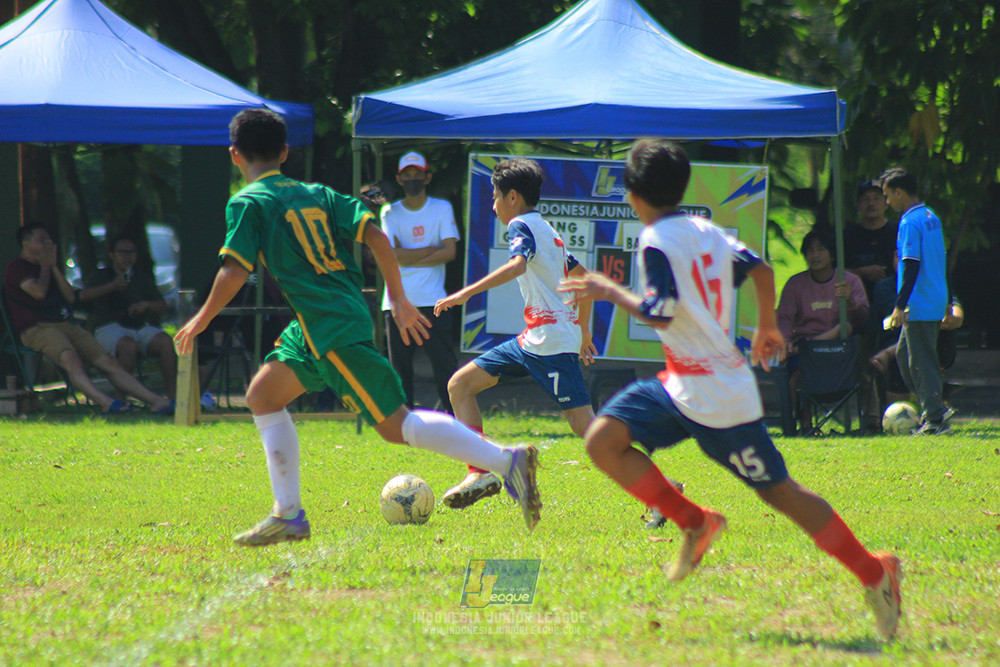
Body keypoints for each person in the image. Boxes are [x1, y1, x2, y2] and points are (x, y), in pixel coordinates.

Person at [559, 139, 902, 640]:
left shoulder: (654, 241)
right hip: (682, 382)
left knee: (781, 494)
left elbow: (662, 311)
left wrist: (608, 290)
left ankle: (876, 572)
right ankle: (694, 521)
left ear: (633, 194)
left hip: (719, 397)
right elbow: (761, 269)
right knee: (602, 439)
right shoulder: (704, 229)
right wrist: (767, 325)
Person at [173, 109, 541, 545]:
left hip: (329, 326)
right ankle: (288, 515)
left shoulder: (248, 202)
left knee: (395, 425)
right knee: (263, 396)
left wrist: (200, 319)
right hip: (319, 322)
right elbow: (377, 237)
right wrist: (398, 299)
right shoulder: (318, 194)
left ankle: (506, 462)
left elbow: (235, 271)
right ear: (285, 153)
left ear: (235, 154)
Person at [434, 158, 597, 510]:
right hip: (535, 340)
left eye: (495, 197)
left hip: (550, 343)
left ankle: (658, 488)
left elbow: (517, 265)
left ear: (512, 197)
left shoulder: (521, 225)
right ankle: (479, 472)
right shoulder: (547, 230)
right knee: (460, 385)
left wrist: (465, 294)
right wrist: (583, 332)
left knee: (585, 426)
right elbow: (584, 282)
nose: (493, 206)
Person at [3, 222, 173, 414]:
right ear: (25, 243)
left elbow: (70, 297)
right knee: (70, 358)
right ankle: (107, 403)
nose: (47, 244)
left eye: (49, 240)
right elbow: (39, 293)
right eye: (41, 240)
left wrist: (54, 268)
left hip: (64, 323)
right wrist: (45, 267)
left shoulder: (48, 268)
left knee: (108, 363)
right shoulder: (17, 268)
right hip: (37, 328)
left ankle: (156, 401)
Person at [380, 153, 459, 414]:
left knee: (446, 369)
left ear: (427, 177)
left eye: (417, 174)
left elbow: (450, 252)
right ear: (398, 179)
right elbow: (390, 255)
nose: (412, 179)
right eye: (407, 175)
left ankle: (457, 422)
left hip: (434, 302)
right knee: (400, 372)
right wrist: (432, 249)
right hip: (397, 303)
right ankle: (403, 426)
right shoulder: (389, 211)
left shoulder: (442, 207)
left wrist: (405, 256)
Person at [881, 167, 950, 435]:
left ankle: (935, 418)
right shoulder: (931, 216)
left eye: (888, 196)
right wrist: (946, 298)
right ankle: (933, 406)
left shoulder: (909, 222)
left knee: (921, 361)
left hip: (919, 302)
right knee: (904, 355)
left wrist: (900, 305)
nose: (887, 202)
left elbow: (911, 264)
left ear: (899, 193)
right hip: (934, 297)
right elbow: (940, 259)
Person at [78, 235, 178, 400]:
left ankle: (173, 398)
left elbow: (161, 304)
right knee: (128, 345)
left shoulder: (141, 278)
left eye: (132, 252)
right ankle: (121, 399)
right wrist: (112, 286)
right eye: (122, 252)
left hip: (138, 325)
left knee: (165, 342)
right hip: (108, 327)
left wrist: (145, 305)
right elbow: (84, 296)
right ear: (112, 255)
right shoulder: (101, 276)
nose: (128, 256)